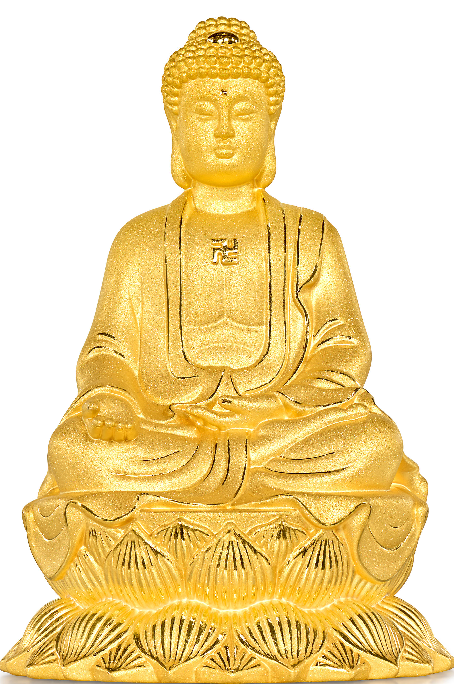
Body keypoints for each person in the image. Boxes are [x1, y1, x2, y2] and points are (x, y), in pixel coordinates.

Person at [40, 17, 426, 506]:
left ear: (271, 126)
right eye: (204, 113)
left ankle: (198, 494)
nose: (223, 131)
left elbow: (343, 349)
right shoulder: (138, 240)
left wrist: (276, 408)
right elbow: (107, 352)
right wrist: (113, 402)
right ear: (175, 126)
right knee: (74, 450)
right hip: (170, 428)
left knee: (373, 442)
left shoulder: (310, 235)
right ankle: (252, 490)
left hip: (278, 429)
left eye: (242, 113)